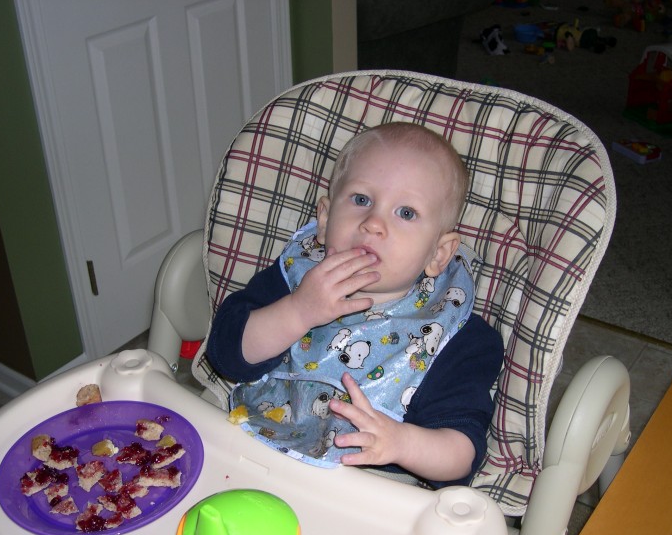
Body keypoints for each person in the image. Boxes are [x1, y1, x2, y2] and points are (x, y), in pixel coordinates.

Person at [206, 122, 503, 487]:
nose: (373, 223)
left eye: (406, 213)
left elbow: (463, 452)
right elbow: (226, 354)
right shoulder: (295, 276)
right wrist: (298, 311)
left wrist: (401, 442)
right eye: (361, 200)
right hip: (253, 448)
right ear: (325, 219)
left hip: (367, 487)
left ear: (438, 253)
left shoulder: (453, 335)